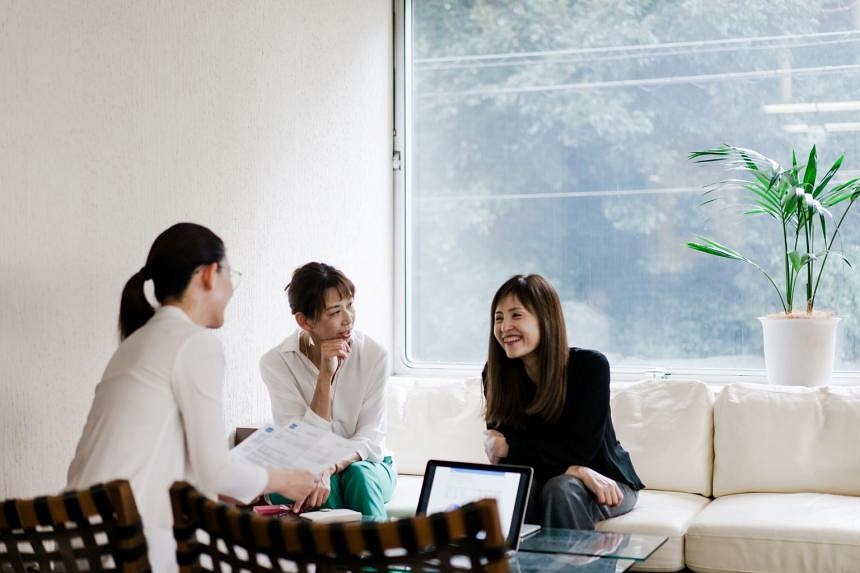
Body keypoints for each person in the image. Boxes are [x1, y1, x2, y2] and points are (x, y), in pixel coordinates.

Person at [67, 223, 317, 572]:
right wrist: (287, 480)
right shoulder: (193, 342)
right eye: (231, 275)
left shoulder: (136, 344)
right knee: (292, 559)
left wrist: (235, 484)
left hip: (85, 545)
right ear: (210, 274)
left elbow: (177, 466)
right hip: (135, 549)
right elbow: (214, 470)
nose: (232, 289)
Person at [482, 274, 643, 529]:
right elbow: (510, 463)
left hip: (606, 480)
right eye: (498, 317)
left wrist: (512, 447)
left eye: (516, 315)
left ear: (545, 320)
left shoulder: (589, 367)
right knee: (520, 486)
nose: (504, 327)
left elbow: (581, 451)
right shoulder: (495, 374)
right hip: (558, 477)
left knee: (561, 489)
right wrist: (574, 468)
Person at [260, 262, 395, 520]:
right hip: (304, 467)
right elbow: (300, 444)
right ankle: (339, 560)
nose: (348, 318)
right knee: (314, 487)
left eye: (350, 305)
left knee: (358, 476)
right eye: (335, 312)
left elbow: (369, 438)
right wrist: (325, 377)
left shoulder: (374, 355)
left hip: (368, 466)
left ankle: (378, 560)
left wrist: (329, 467)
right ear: (304, 320)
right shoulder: (276, 363)